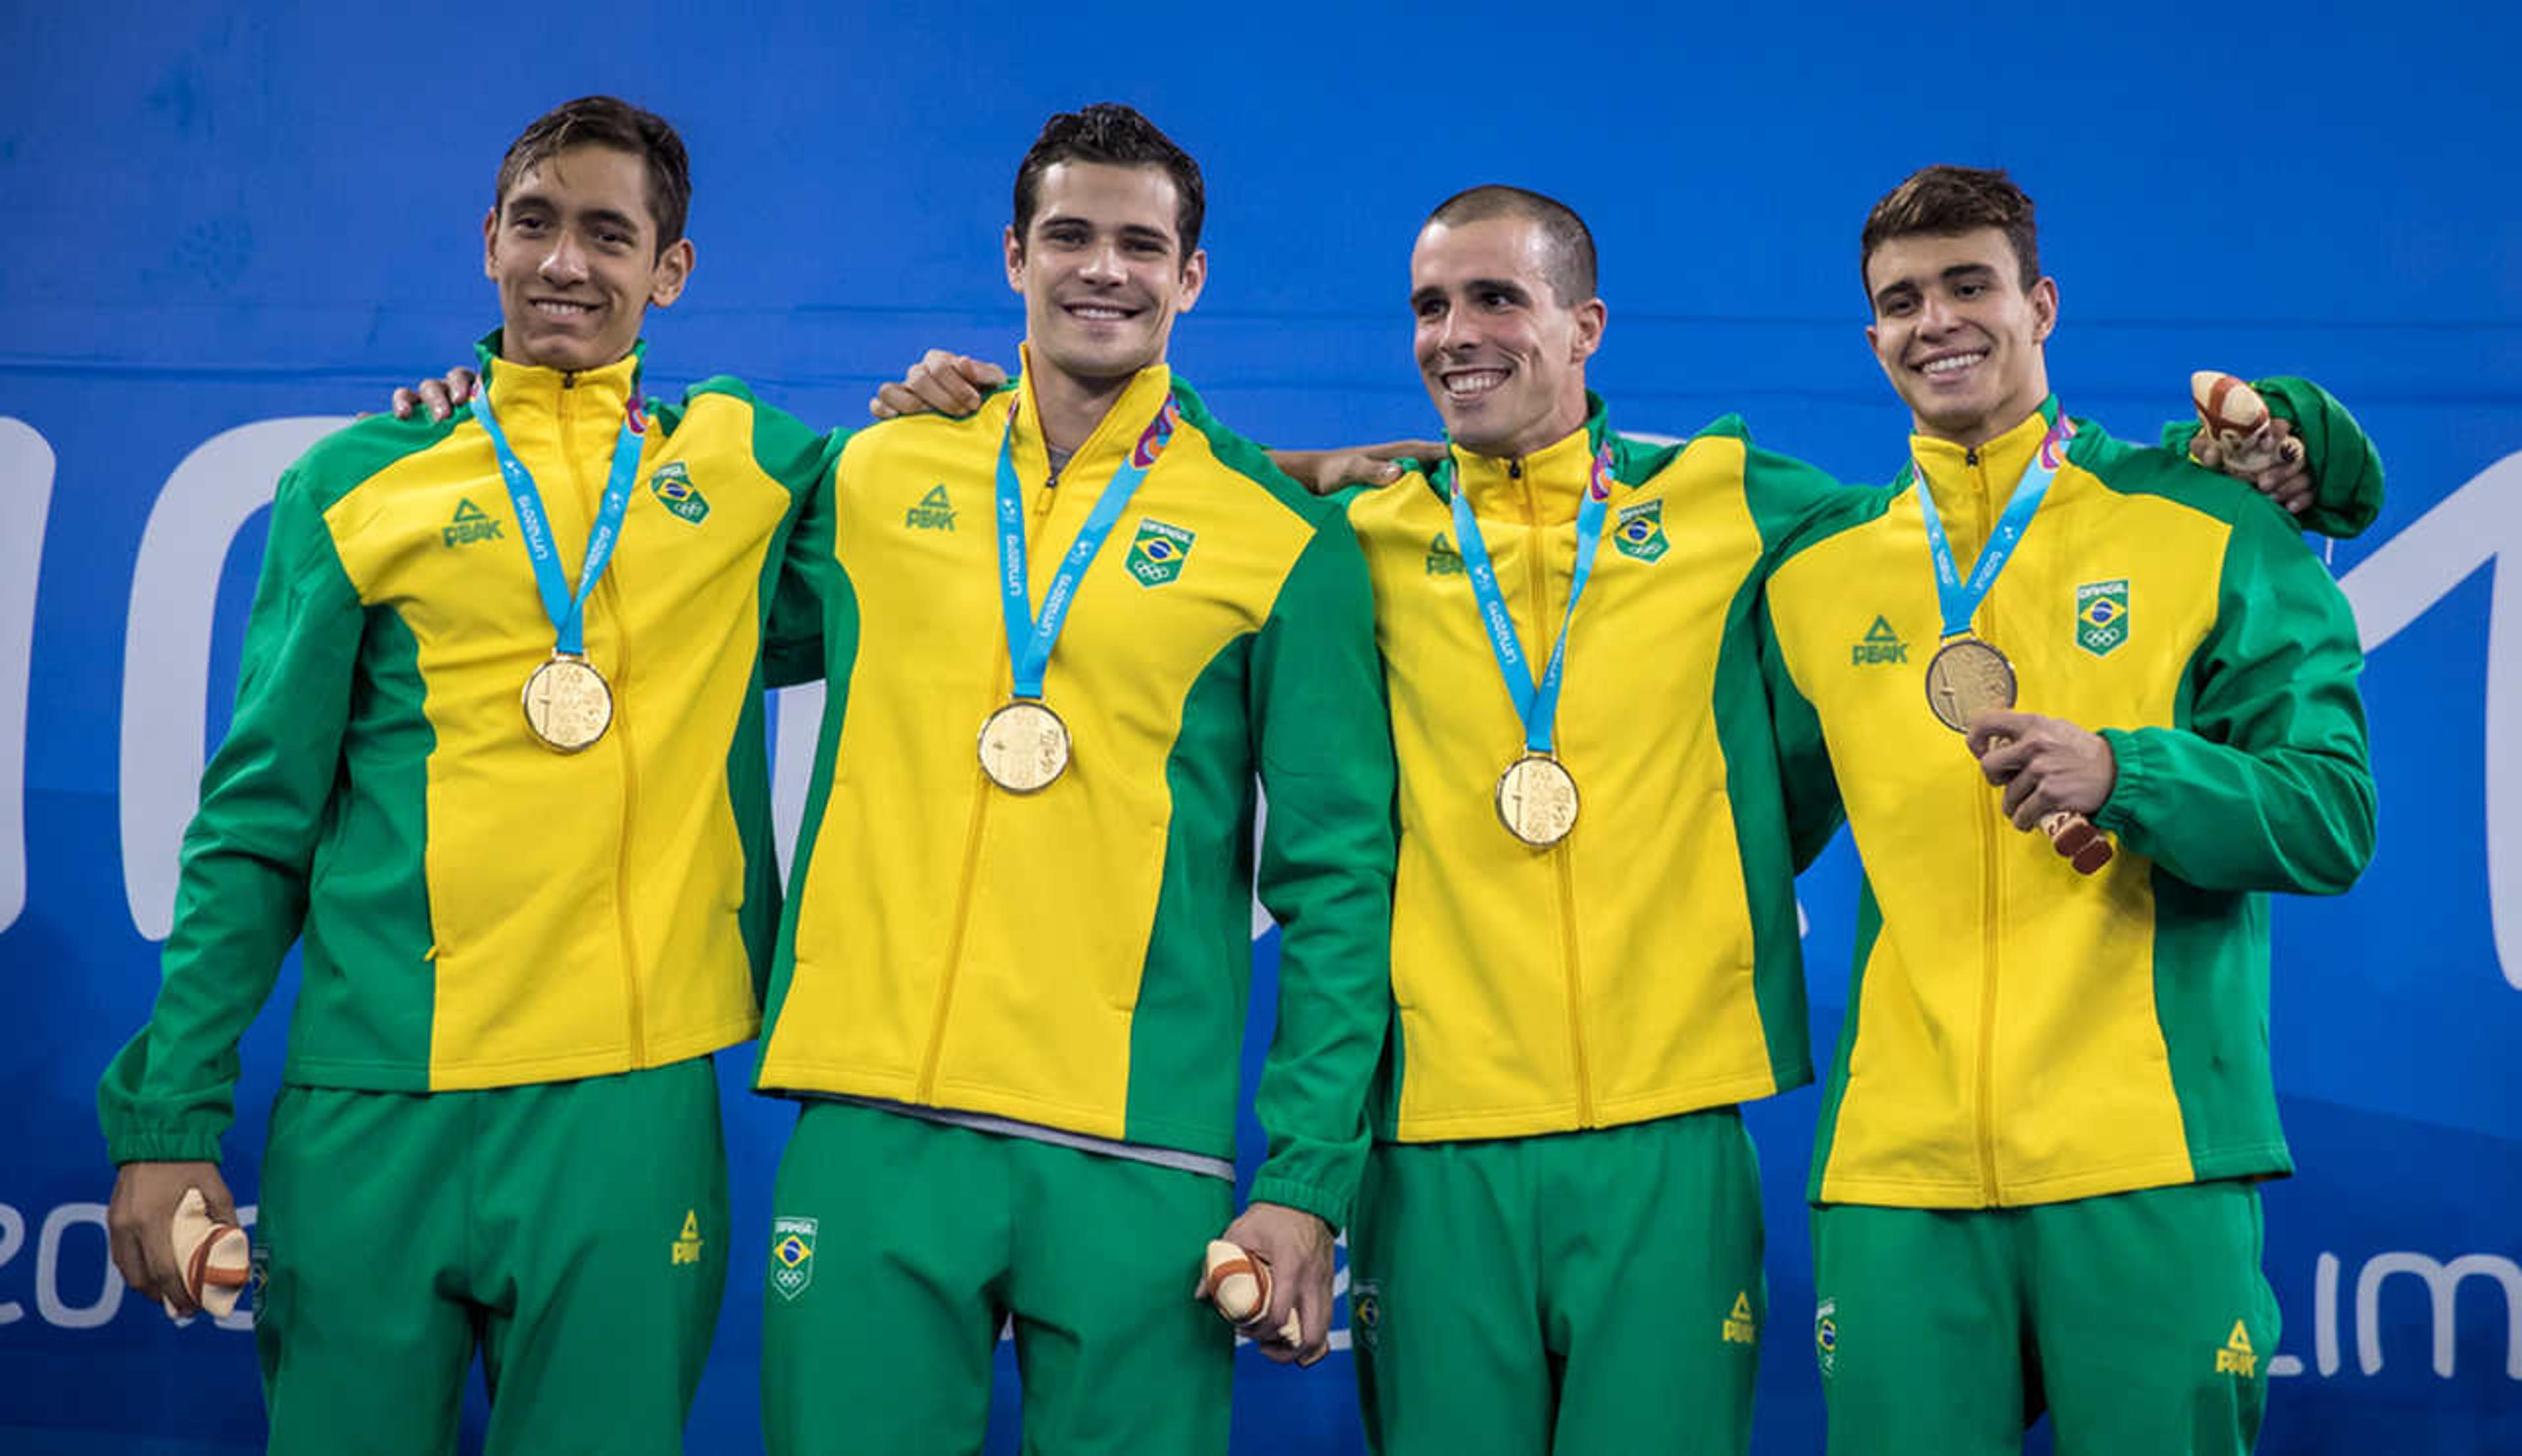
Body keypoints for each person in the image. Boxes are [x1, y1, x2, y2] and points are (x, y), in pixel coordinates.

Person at [99, 95, 833, 1453]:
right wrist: (169, 1112)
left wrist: (1271, 475)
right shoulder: (361, 479)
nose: (567, 262)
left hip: (626, 1106)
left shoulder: (748, 473)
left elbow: (1005, 532)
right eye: (538, 223)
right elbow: (256, 822)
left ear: (670, 271)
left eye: (611, 235)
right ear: (486, 240)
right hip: (373, 1105)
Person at [753, 103, 1394, 1454]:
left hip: (1136, 1154)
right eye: (1071, 236)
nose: (1104, 268)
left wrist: (1309, 1177)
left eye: (1140, 245)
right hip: (878, 1125)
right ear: (1013, 255)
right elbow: (656, 610)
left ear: (1191, 276)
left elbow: (1341, 886)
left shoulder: (1282, 542)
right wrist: (460, 409)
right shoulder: (874, 473)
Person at [1761, 164, 2379, 1455]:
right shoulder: (1816, 574)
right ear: (1869, 333)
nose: (1937, 320)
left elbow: (2331, 814)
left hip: (2145, 1154)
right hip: (1897, 1171)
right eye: (1901, 299)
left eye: (1970, 284)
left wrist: (2132, 773)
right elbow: (1724, 824)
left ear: (2041, 303)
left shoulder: (2207, 522)